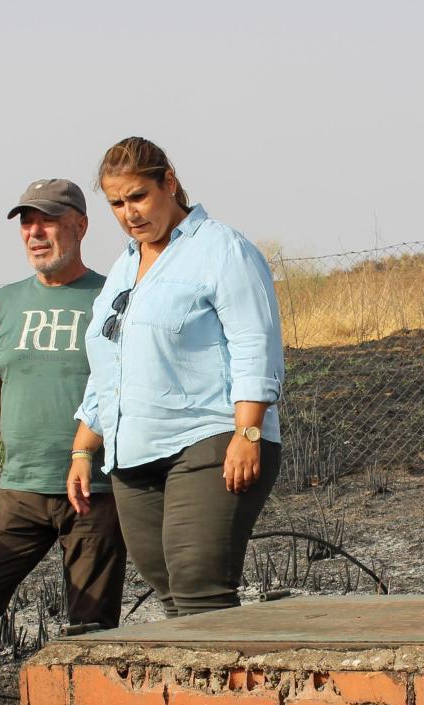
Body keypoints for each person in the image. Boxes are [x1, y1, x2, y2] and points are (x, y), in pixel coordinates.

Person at [0, 179, 127, 705]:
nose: (35, 232)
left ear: (80, 225)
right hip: (18, 490)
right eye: (27, 222)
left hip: (95, 489)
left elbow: (126, 384)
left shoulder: (112, 294)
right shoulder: (5, 303)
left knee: (90, 623)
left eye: (47, 220)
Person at [67, 137, 284, 617]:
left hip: (209, 439)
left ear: (168, 183)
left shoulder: (222, 249)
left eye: (138, 196)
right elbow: (110, 363)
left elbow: (255, 343)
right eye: (116, 204)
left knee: (199, 589)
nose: (129, 213)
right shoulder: (125, 267)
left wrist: (248, 433)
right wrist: (84, 449)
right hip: (133, 456)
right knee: (171, 597)